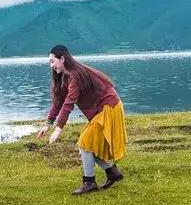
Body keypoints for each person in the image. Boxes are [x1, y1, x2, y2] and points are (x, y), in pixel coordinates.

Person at [37, 45, 127, 194]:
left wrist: (58, 129)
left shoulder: (76, 75)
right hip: (101, 110)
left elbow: (69, 103)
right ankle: (112, 172)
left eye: (53, 61)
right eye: (50, 62)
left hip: (109, 108)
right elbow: (59, 101)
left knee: (85, 144)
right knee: (90, 145)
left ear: (62, 59)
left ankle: (89, 183)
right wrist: (47, 124)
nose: (51, 65)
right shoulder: (65, 76)